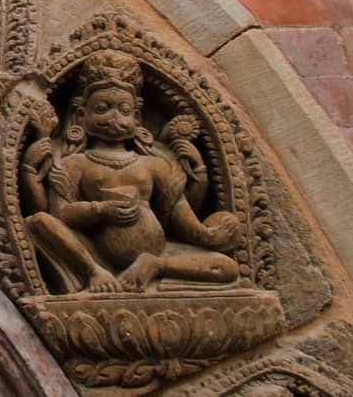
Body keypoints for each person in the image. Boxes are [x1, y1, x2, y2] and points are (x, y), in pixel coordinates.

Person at [22, 49, 242, 293]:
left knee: (226, 267)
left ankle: (155, 266)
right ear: (82, 115)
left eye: (124, 111)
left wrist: (206, 233)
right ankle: (94, 273)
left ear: (137, 118)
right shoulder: (75, 163)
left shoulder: (154, 164)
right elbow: (61, 214)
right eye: (103, 108)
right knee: (41, 223)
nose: (114, 118)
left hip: (157, 251)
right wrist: (100, 210)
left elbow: (178, 217)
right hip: (96, 254)